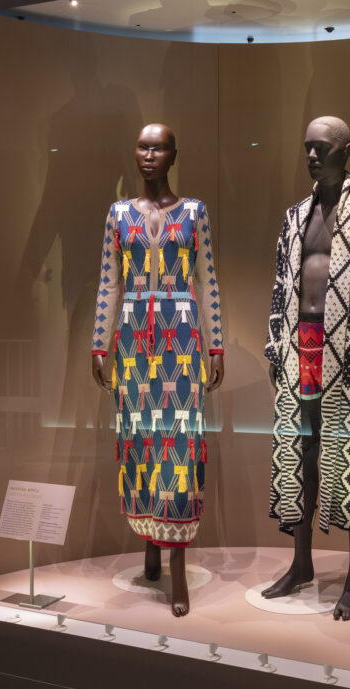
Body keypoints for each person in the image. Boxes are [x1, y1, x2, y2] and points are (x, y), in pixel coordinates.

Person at [263, 116, 350, 620]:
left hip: (348, 349)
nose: (312, 156)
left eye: (322, 147)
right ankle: (301, 564)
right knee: (300, 454)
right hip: (300, 346)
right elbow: (282, 283)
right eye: (307, 148)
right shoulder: (295, 216)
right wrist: (274, 343)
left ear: (347, 150)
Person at [90, 124, 225, 617]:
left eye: (159, 147)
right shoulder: (118, 214)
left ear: (173, 155)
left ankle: (177, 568)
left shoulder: (194, 212)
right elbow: (110, 282)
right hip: (132, 345)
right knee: (139, 443)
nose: (149, 154)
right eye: (143, 146)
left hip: (181, 340)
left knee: (180, 447)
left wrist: (216, 345)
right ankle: (150, 546)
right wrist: (99, 343)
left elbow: (207, 281)